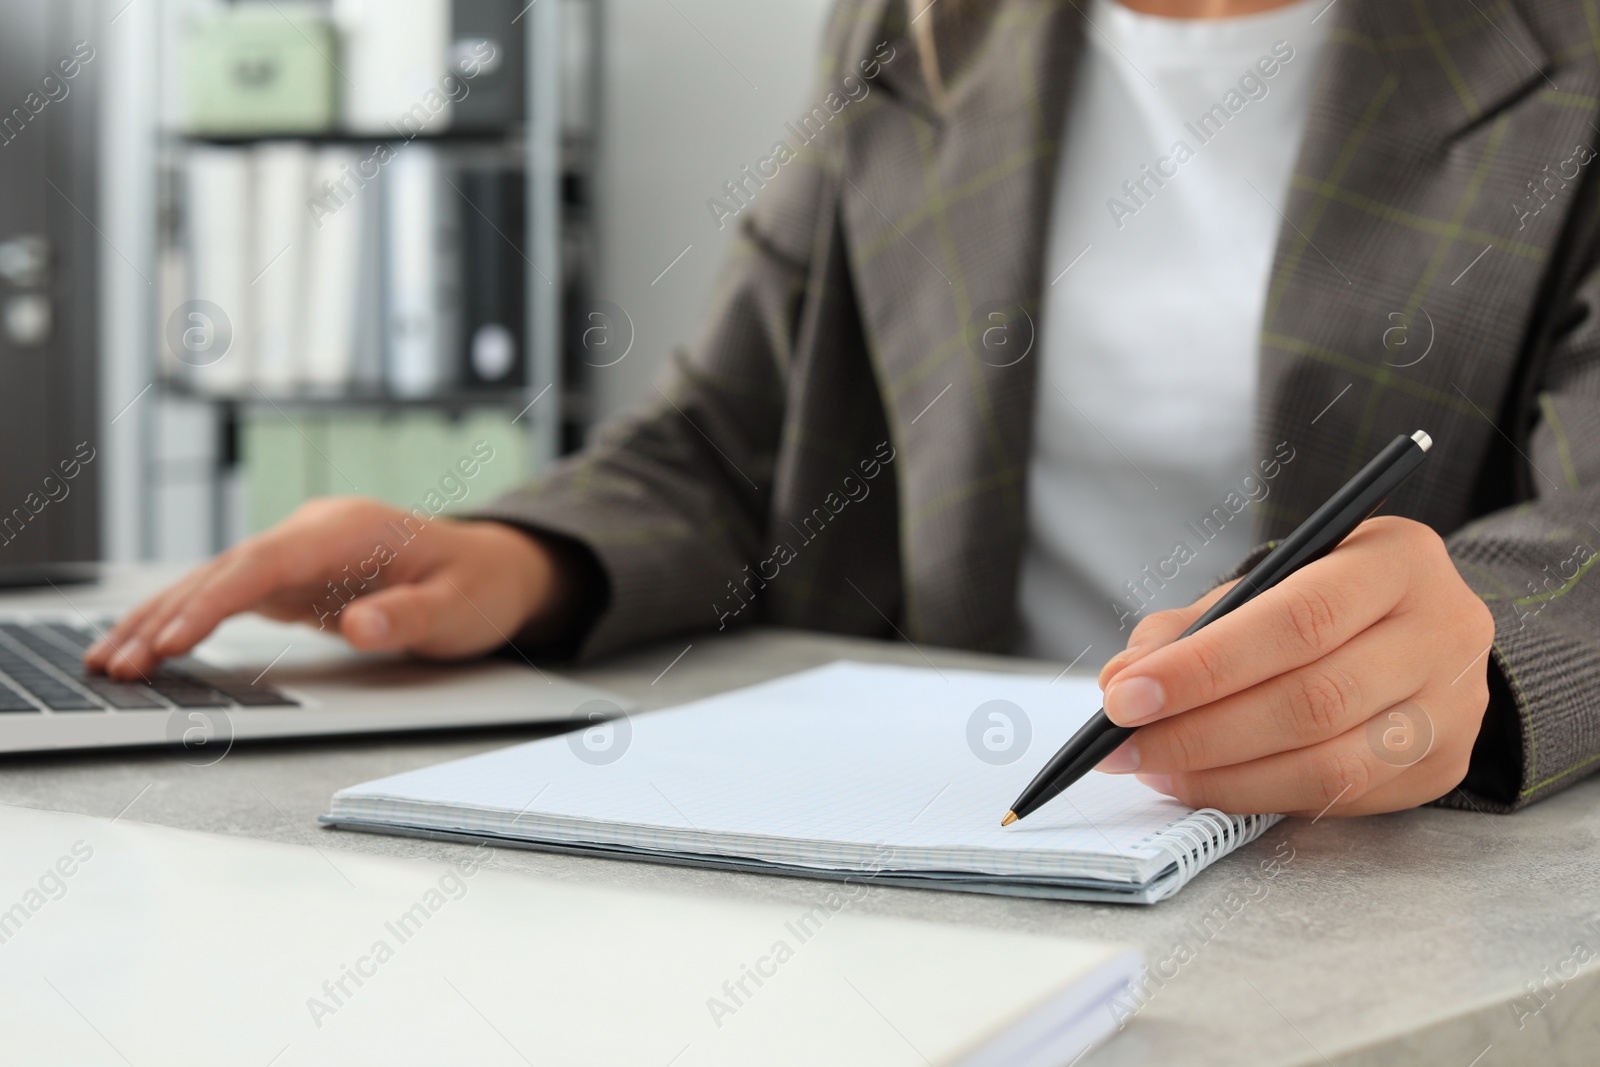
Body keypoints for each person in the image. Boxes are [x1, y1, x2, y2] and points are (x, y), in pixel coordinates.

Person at [89, 0, 1599, 819]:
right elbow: (733, 440)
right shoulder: (917, 28)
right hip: (950, 832)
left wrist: (1473, 640)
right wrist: (508, 558)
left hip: (1363, 864)